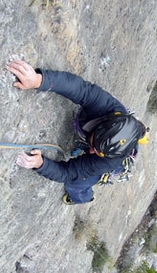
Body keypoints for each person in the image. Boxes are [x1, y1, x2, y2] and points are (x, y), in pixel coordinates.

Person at [8, 59, 148, 205]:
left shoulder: (107, 162)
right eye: (94, 145)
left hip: (115, 159)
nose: (92, 151)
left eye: (97, 151)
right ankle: (141, 133)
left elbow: (68, 173)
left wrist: (41, 164)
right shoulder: (107, 108)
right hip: (121, 138)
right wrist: (39, 80)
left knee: (75, 186)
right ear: (101, 125)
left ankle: (83, 198)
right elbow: (79, 89)